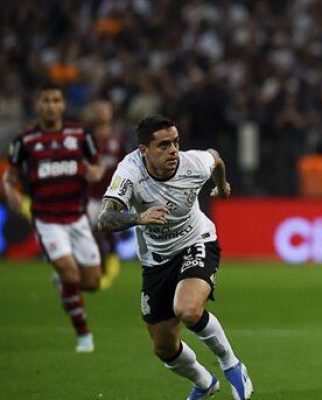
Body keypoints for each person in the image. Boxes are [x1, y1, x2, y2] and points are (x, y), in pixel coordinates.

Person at [97, 115, 253, 400]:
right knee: (164, 347)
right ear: (144, 150)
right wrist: (139, 217)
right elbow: (105, 218)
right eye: (163, 145)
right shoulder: (129, 172)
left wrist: (223, 186)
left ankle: (232, 364)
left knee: (188, 309)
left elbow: (215, 159)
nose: (173, 150)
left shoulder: (192, 163)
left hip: (197, 241)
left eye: (176, 142)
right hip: (156, 260)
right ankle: (205, 382)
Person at [3, 82, 106, 353]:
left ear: (62, 105)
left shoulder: (80, 134)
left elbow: (97, 162)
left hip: (77, 218)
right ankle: (84, 336)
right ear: (38, 105)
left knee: (93, 283)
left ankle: (63, 282)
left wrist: (96, 171)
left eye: (55, 100)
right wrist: (9, 191)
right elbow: (10, 174)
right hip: (47, 220)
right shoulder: (25, 141)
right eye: (45, 100)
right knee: (72, 274)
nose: (50, 105)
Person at [85, 100, 126, 289]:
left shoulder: (118, 139)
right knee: (92, 235)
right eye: (99, 108)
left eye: (105, 109)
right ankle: (99, 268)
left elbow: (128, 164)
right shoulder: (88, 140)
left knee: (105, 230)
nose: (102, 112)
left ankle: (111, 259)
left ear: (111, 113)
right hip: (90, 195)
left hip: (112, 195)